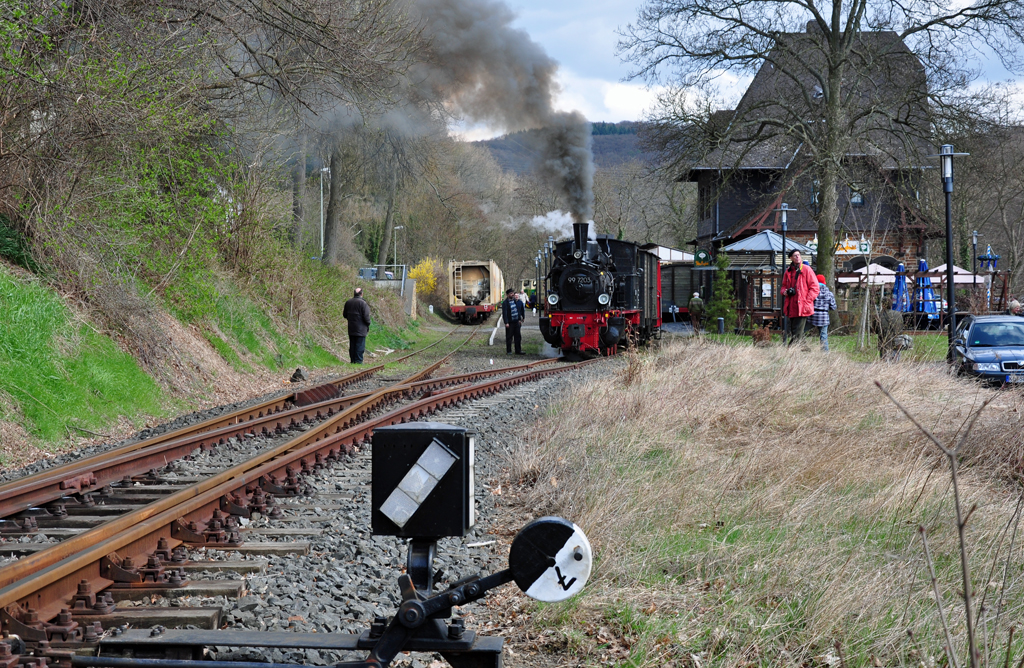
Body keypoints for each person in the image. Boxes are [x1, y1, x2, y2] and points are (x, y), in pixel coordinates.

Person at [780, 250, 819, 346]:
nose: (797, 257)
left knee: (796, 333)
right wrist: (784, 292)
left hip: (802, 307)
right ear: (791, 258)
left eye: (798, 255)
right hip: (791, 306)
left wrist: (807, 301)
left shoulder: (806, 269)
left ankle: (789, 352)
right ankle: (805, 351)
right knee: (796, 333)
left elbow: (815, 288)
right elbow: (783, 286)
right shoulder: (788, 272)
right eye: (795, 255)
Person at [343, 287, 372, 364]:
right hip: (361, 329)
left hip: (351, 328)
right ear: (361, 294)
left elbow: (344, 315)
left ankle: (352, 361)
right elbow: (366, 317)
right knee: (359, 345)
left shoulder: (348, 302)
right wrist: (368, 323)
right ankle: (358, 361)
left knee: (352, 345)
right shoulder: (363, 303)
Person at [811, 273, 838, 351]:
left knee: (802, 331)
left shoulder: (813, 291)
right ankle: (825, 355)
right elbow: (833, 307)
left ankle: (799, 347)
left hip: (812, 316)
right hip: (824, 316)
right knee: (823, 336)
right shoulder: (829, 294)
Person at [502, 288, 525, 354]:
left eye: (513, 293)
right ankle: (509, 351)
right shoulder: (505, 303)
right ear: (508, 295)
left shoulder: (515, 301)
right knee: (509, 337)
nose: (513, 295)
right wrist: (506, 322)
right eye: (511, 294)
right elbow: (505, 313)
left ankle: (518, 350)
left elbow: (518, 311)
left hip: (516, 322)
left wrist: (519, 319)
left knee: (518, 336)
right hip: (510, 322)